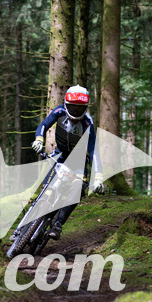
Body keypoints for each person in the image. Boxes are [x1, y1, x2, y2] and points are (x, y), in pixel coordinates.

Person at [31, 85, 104, 240]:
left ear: (85, 108)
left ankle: (58, 225)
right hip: (60, 156)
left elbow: (93, 151)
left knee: (78, 189)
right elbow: (44, 125)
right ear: (66, 105)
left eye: (79, 109)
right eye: (72, 108)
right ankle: (24, 226)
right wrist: (39, 139)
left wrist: (98, 177)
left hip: (79, 163)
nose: (75, 112)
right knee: (47, 188)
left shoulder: (88, 123)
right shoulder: (59, 112)